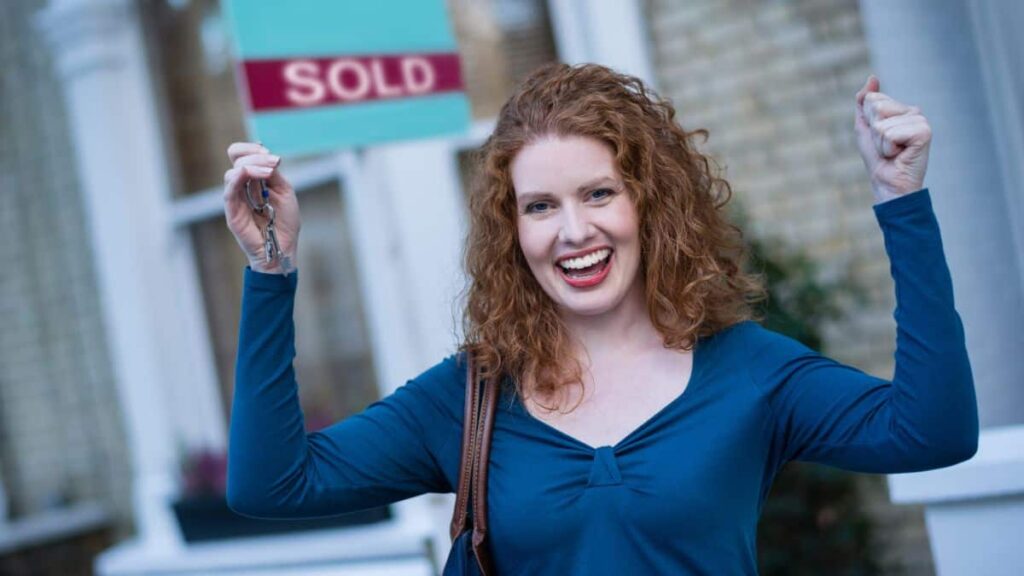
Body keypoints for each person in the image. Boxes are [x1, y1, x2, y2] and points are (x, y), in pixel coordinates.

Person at [222, 63, 978, 574]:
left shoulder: (752, 373)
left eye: (599, 194)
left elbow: (932, 432)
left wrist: (901, 203)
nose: (572, 231)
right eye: (540, 207)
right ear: (512, 232)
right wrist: (269, 269)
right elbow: (271, 485)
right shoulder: (470, 396)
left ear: (650, 207)